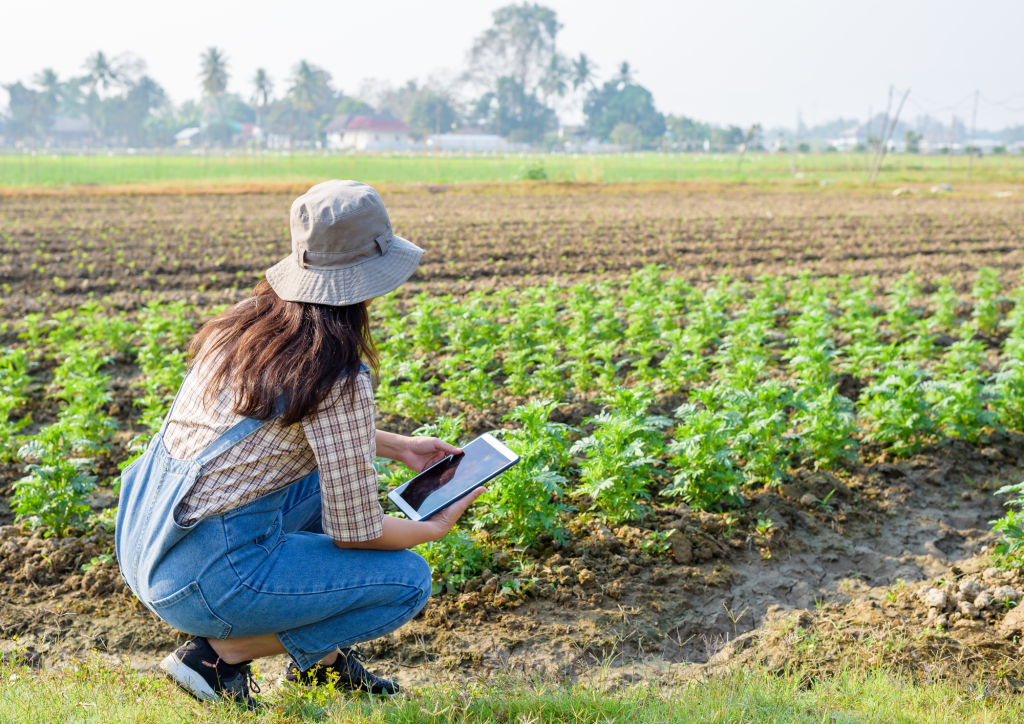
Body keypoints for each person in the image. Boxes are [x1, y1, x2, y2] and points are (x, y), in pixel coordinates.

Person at [115, 180, 483, 707]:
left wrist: (399, 446)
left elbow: (276, 432)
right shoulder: (337, 373)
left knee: (317, 476)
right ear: (367, 282)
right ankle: (219, 657)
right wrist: (431, 527)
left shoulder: (245, 328)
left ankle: (321, 666)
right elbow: (357, 533)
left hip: (147, 544)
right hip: (204, 579)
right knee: (406, 581)